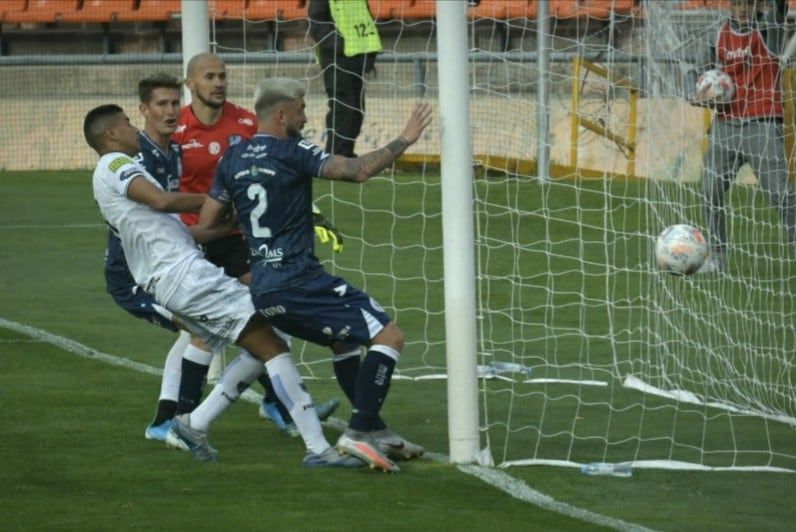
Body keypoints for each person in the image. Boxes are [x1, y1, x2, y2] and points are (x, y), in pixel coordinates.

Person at [85, 103, 362, 468]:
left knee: (266, 341)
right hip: (185, 277)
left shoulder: (124, 170)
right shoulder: (114, 165)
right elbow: (162, 201)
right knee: (274, 343)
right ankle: (318, 449)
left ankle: (194, 423)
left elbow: (181, 228)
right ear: (110, 135)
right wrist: (222, 194)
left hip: (178, 275)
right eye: (128, 124)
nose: (135, 129)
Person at [197, 77, 432, 473]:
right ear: (282, 114)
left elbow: (207, 223)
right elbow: (356, 171)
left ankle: (377, 431)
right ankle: (357, 433)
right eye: (303, 109)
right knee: (389, 336)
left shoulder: (231, 160)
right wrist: (404, 139)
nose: (306, 117)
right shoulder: (293, 149)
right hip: (300, 280)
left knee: (343, 344)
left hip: (265, 288)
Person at [173, 52, 341, 435]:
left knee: (268, 313)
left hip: (237, 240)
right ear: (191, 85)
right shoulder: (177, 130)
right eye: (210, 76)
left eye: (223, 76)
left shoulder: (246, 123)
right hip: (192, 240)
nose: (218, 82)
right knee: (203, 331)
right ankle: (182, 419)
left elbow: (274, 170)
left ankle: (271, 406)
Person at [102, 72, 208, 443]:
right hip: (134, 276)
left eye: (175, 103)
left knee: (207, 327)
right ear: (144, 109)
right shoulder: (134, 157)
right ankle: (171, 420)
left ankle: (168, 419)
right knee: (204, 328)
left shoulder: (173, 151)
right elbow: (157, 208)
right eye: (161, 104)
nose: (170, 110)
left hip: (167, 266)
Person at [693, 0, 796, 272]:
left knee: (782, 194)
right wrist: (703, 94)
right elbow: (701, 75)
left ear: (757, 5)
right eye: (737, 3)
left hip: (762, 123)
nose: (742, 8)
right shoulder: (718, 34)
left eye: (748, 4)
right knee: (710, 190)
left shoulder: (768, 27)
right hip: (726, 124)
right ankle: (717, 259)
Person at [309, 0, 382, 157]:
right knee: (344, 110)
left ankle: (346, 154)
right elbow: (316, 25)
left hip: (356, 59)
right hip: (337, 60)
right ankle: (337, 156)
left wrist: (369, 56)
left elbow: (365, 23)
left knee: (356, 110)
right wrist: (341, 46)